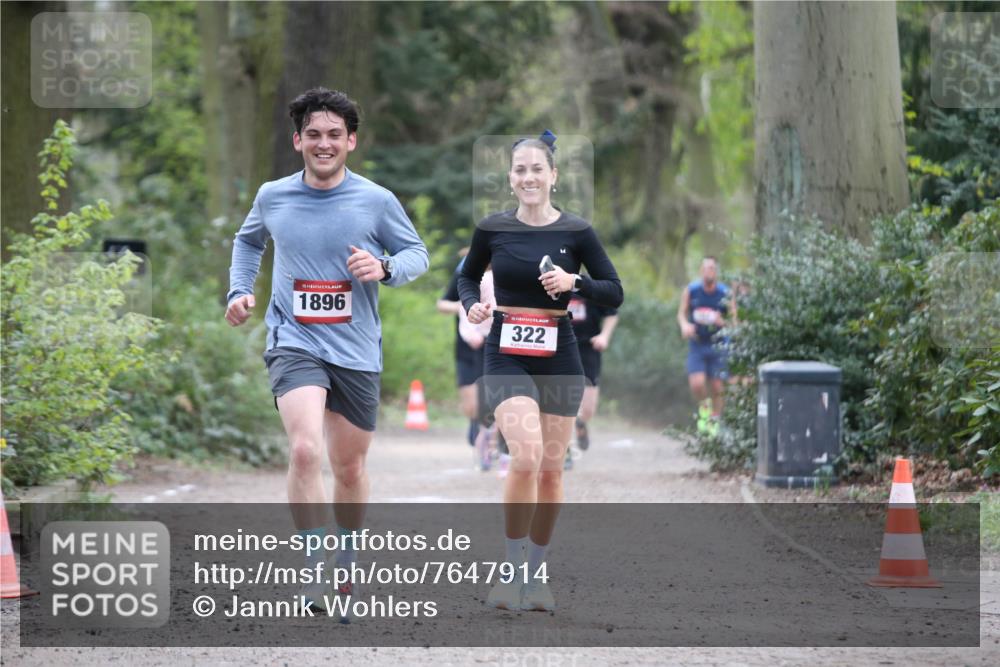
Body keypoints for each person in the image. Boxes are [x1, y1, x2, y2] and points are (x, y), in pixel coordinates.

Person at [225, 88, 428, 618]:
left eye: (335, 134)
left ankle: (346, 560)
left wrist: (385, 267)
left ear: (351, 141)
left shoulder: (376, 200)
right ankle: (315, 569)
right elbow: (248, 242)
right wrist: (239, 290)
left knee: (350, 467)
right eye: (313, 134)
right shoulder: (273, 196)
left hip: (356, 349)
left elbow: (416, 253)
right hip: (294, 339)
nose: (324, 143)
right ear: (297, 140)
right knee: (304, 450)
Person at [459, 132, 623, 612]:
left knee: (551, 470)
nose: (528, 177)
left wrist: (576, 283)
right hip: (506, 350)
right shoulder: (492, 228)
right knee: (526, 455)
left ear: (554, 175)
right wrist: (472, 305)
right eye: (520, 170)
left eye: (537, 169)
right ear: (510, 178)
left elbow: (614, 290)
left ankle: (535, 576)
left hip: (560, 354)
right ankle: (510, 573)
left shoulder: (577, 231)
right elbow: (467, 276)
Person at [677, 256, 734, 436]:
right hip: (698, 343)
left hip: (718, 344)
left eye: (712, 268)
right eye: (706, 268)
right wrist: (685, 326)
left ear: (716, 272)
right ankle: (705, 410)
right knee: (697, 383)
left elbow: (735, 322)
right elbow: (681, 314)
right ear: (701, 271)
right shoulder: (691, 291)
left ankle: (715, 420)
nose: (709, 271)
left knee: (717, 386)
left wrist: (722, 322)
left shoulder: (725, 293)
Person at [436, 250, 485, 449]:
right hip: (466, 345)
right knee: (471, 404)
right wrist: (465, 306)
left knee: (494, 395)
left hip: (493, 343)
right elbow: (442, 304)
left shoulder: (505, 271)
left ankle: (490, 441)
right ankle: (476, 425)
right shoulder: (464, 272)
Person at [567, 291, 619, 460]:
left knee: (588, 409)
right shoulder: (551, 285)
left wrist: (604, 336)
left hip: (588, 349)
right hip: (562, 348)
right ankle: (565, 450)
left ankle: (581, 423)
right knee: (561, 404)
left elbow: (612, 314)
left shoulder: (589, 286)